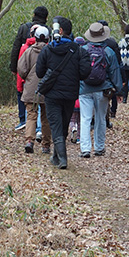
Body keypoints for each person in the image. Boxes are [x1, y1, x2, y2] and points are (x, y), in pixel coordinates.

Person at [36, 17, 90, 169]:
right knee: (64, 124)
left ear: (59, 30)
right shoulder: (78, 50)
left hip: (52, 94)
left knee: (55, 125)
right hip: (70, 94)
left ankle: (63, 159)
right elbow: (85, 72)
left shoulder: (47, 49)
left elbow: (39, 72)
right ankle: (56, 156)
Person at [78, 22, 123, 158]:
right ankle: (99, 147)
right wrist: (119, 91)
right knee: (100, 118)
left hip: (84, 89)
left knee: (85, 118)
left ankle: (85, 149)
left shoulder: (83, 50)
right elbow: (115, 72)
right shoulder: (108, 52)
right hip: (103, 89)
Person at [10, 6, 49, 130]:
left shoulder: (24, 28)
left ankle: (23, 119)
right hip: (43, 69)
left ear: (33, 15)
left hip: (25, 65)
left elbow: (16, 48)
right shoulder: (48, 31)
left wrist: (13, 67)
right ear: (46, 18)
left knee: (22, 92)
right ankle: (39, 125)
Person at [18, 26, 52, 154]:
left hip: (32, 88)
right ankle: (46, 145)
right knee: (46, 117)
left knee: (31, 116)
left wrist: (28, 78)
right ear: (48, 38)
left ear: (35, 37)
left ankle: (29, 141)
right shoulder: (50, 51)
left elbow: (21, 69)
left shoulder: (29, 51)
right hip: (47, 88)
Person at [97, 20, 121, 122]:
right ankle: (112, 112)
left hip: (95, 74)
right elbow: (118, 60)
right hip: (109, 75)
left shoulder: (90, 44)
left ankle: (100, 117)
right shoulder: (112, 43)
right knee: (112, 93)